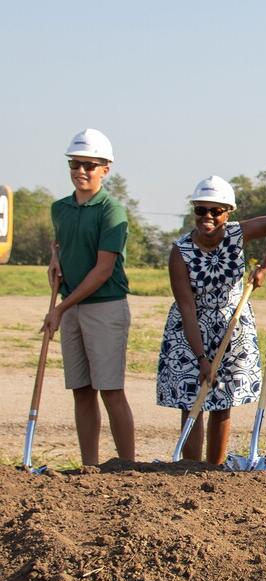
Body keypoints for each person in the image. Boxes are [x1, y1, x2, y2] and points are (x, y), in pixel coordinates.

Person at [156, 176, 266, 464]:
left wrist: (265, 267)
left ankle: (213, 470)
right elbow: (187, 307)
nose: (208, 217)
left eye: (216, 211)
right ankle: (189, 469)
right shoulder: (180, 252)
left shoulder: (238, 234)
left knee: (222, 402)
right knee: (194, 400)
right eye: (201, 210)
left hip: (231, 326)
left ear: (228, 212)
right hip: (190, 332)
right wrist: (201, 358)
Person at [44, 128, 135, 466]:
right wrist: (54, 261)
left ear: (105, 169)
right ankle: (89, 468)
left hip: (104, 307)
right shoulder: (60, 208)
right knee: (81, 391)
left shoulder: (112, 211)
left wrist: (60, 307)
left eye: (89, 165)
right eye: (76, 164)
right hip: (71, 308)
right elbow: (61, 247)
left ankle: (128, 467)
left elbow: (102, 269)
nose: (81, 171)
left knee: (110, 390)